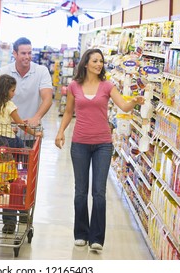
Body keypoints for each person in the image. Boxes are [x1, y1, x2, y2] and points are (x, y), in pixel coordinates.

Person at [54, 48, 145, 251]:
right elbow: (69, 112)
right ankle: (80, 233)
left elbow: (122, 106)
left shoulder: (107, 86)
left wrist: (135, 101)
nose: (99, 64)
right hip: (79, 144)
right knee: (80, 191)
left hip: (103, 144)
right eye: (95, 61)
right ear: (85, 63)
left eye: (101, 61)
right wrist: (60, 132)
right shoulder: (74, 86)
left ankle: (96, 238)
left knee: (99, 192)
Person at [0, 37, 53, 233]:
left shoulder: (41, 71)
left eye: (30, 53)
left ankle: (24, 212)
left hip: (28, 135)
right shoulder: (4, 72)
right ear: (14, 53)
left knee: (26, 177)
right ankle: (10, 221)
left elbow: (47, 97)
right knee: (8, 177)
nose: (27, 57)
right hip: (9, 134)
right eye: (23, 53)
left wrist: (37, 118)